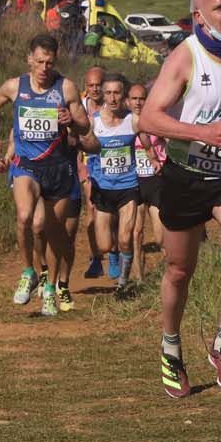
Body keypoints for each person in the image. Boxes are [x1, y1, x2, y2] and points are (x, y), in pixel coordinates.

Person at [139, 0, 221, 397]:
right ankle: (170, 345)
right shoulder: (184, 57)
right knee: (179, 270)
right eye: (219, 9)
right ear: (199, 17)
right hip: (185, 176)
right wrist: (201, 133)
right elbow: (149, 119)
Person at [0, 34, 90, 317]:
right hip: (26, 165)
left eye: (50, 62)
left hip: (57, 168)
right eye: (40, 61)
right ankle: (29, 271)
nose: (44, 68)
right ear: (29, 59)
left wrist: (72, 121)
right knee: (24, 217)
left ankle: (49, 289)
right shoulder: (14, 86)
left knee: (52, 233)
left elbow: (85, 126)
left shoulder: (65, 87)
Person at [79, 73, 143, 292]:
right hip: (102, 188)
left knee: (126, 237)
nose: (113, 98)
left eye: (117, 92)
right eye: (108, 93)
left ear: (123, 93)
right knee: (105, 245)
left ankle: (123, 283)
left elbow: (150, 142)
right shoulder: (93, 122)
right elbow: (79, 145)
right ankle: (112, 254)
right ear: (103, 95)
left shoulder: (132, 120)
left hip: (128, 186)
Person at [126, 80, 165, 285]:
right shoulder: (124, 124)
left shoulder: (158, 120)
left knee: (160, 237)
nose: (138, 102)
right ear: (127, 101)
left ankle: (171, 275)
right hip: (135, 183)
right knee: (136, 232)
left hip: (156, 181)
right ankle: (139, 277)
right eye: (134, 98)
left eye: (142, 98)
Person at [77, 66, 108, 279]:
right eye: (91, 85)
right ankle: (96, 257)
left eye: (99, 85)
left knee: (110, 210)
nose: (95, 89)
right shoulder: (79, 106)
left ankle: (113, 249)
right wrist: (79, 165)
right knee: (90, 207)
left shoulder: (113, 103)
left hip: (111, 161)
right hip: (88, 161)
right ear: (85, 87)